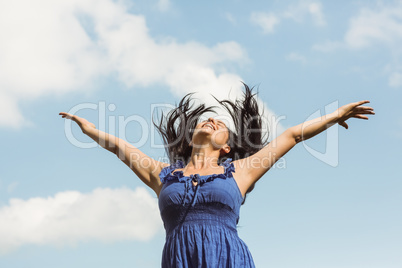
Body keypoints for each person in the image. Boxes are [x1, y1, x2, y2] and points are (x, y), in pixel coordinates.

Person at [59, 83, 375, 268]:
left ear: (226, 148)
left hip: (227, 256)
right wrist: (89, 129)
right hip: (180, 257)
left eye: (220, 125)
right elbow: (119, 147)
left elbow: (291, 136)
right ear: (189, 136)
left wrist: (335, 116)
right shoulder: (163, 175)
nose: (212, 120)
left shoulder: (239, 172)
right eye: (207, 120)